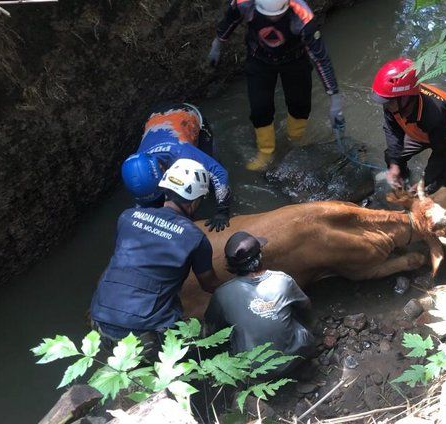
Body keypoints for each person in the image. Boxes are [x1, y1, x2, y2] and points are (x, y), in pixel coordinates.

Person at [91, 159, 222, 358]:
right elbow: (209, 284)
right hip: (141, 336)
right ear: (195, 200)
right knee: (211, 336)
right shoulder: (195, 238)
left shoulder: (127, 217)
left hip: (99, 325)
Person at [209, 0, 345, 171]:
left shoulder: (302, 15)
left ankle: (296, 141)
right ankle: (266, 151)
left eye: (278, 15)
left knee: (300, 104)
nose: (273, 19)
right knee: (260, 107)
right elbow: (230, 20)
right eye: (269, 16)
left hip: (294, 58)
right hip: (259, 58)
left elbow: (321, 59)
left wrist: (335, 100)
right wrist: (217, 44)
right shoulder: (244, 3)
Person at [204, 231, 313, 378]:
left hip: (252, 372)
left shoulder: (221, 294)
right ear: (259, 256)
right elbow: (306, 307)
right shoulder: (282, 280)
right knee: (297, 316)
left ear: (230, 265)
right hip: (292, 360)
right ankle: (303, 366)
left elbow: (210, 330)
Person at [121, 103, 232, 232]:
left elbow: (219, 173)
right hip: (156, 120)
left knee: (207, 180)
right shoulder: (137, 167)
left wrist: (222, 211)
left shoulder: (183, 153)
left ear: (162, 169)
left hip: (187, 117)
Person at [370, 58, 446, 194]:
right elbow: (392, 130)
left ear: (406, 97)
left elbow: (440, 153)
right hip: (420, 130)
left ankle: (439, 192)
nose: (386, 106)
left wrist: (424, 181)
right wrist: (394, 165)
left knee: (445, 176)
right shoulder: (392, 102)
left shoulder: (435, 113)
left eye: (389, 102)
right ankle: (403, 180)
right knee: (392, 156)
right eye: (385, 102)